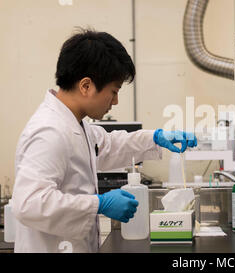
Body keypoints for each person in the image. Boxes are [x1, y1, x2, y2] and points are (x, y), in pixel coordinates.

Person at [12, 29, 197, 253]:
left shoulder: (76, 125)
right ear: (86, 86)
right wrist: (98, 204)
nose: (115, 101)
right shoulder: (49, 132)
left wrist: (156, 138)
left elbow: (109, 146)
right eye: (114, 91)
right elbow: (29, 204)